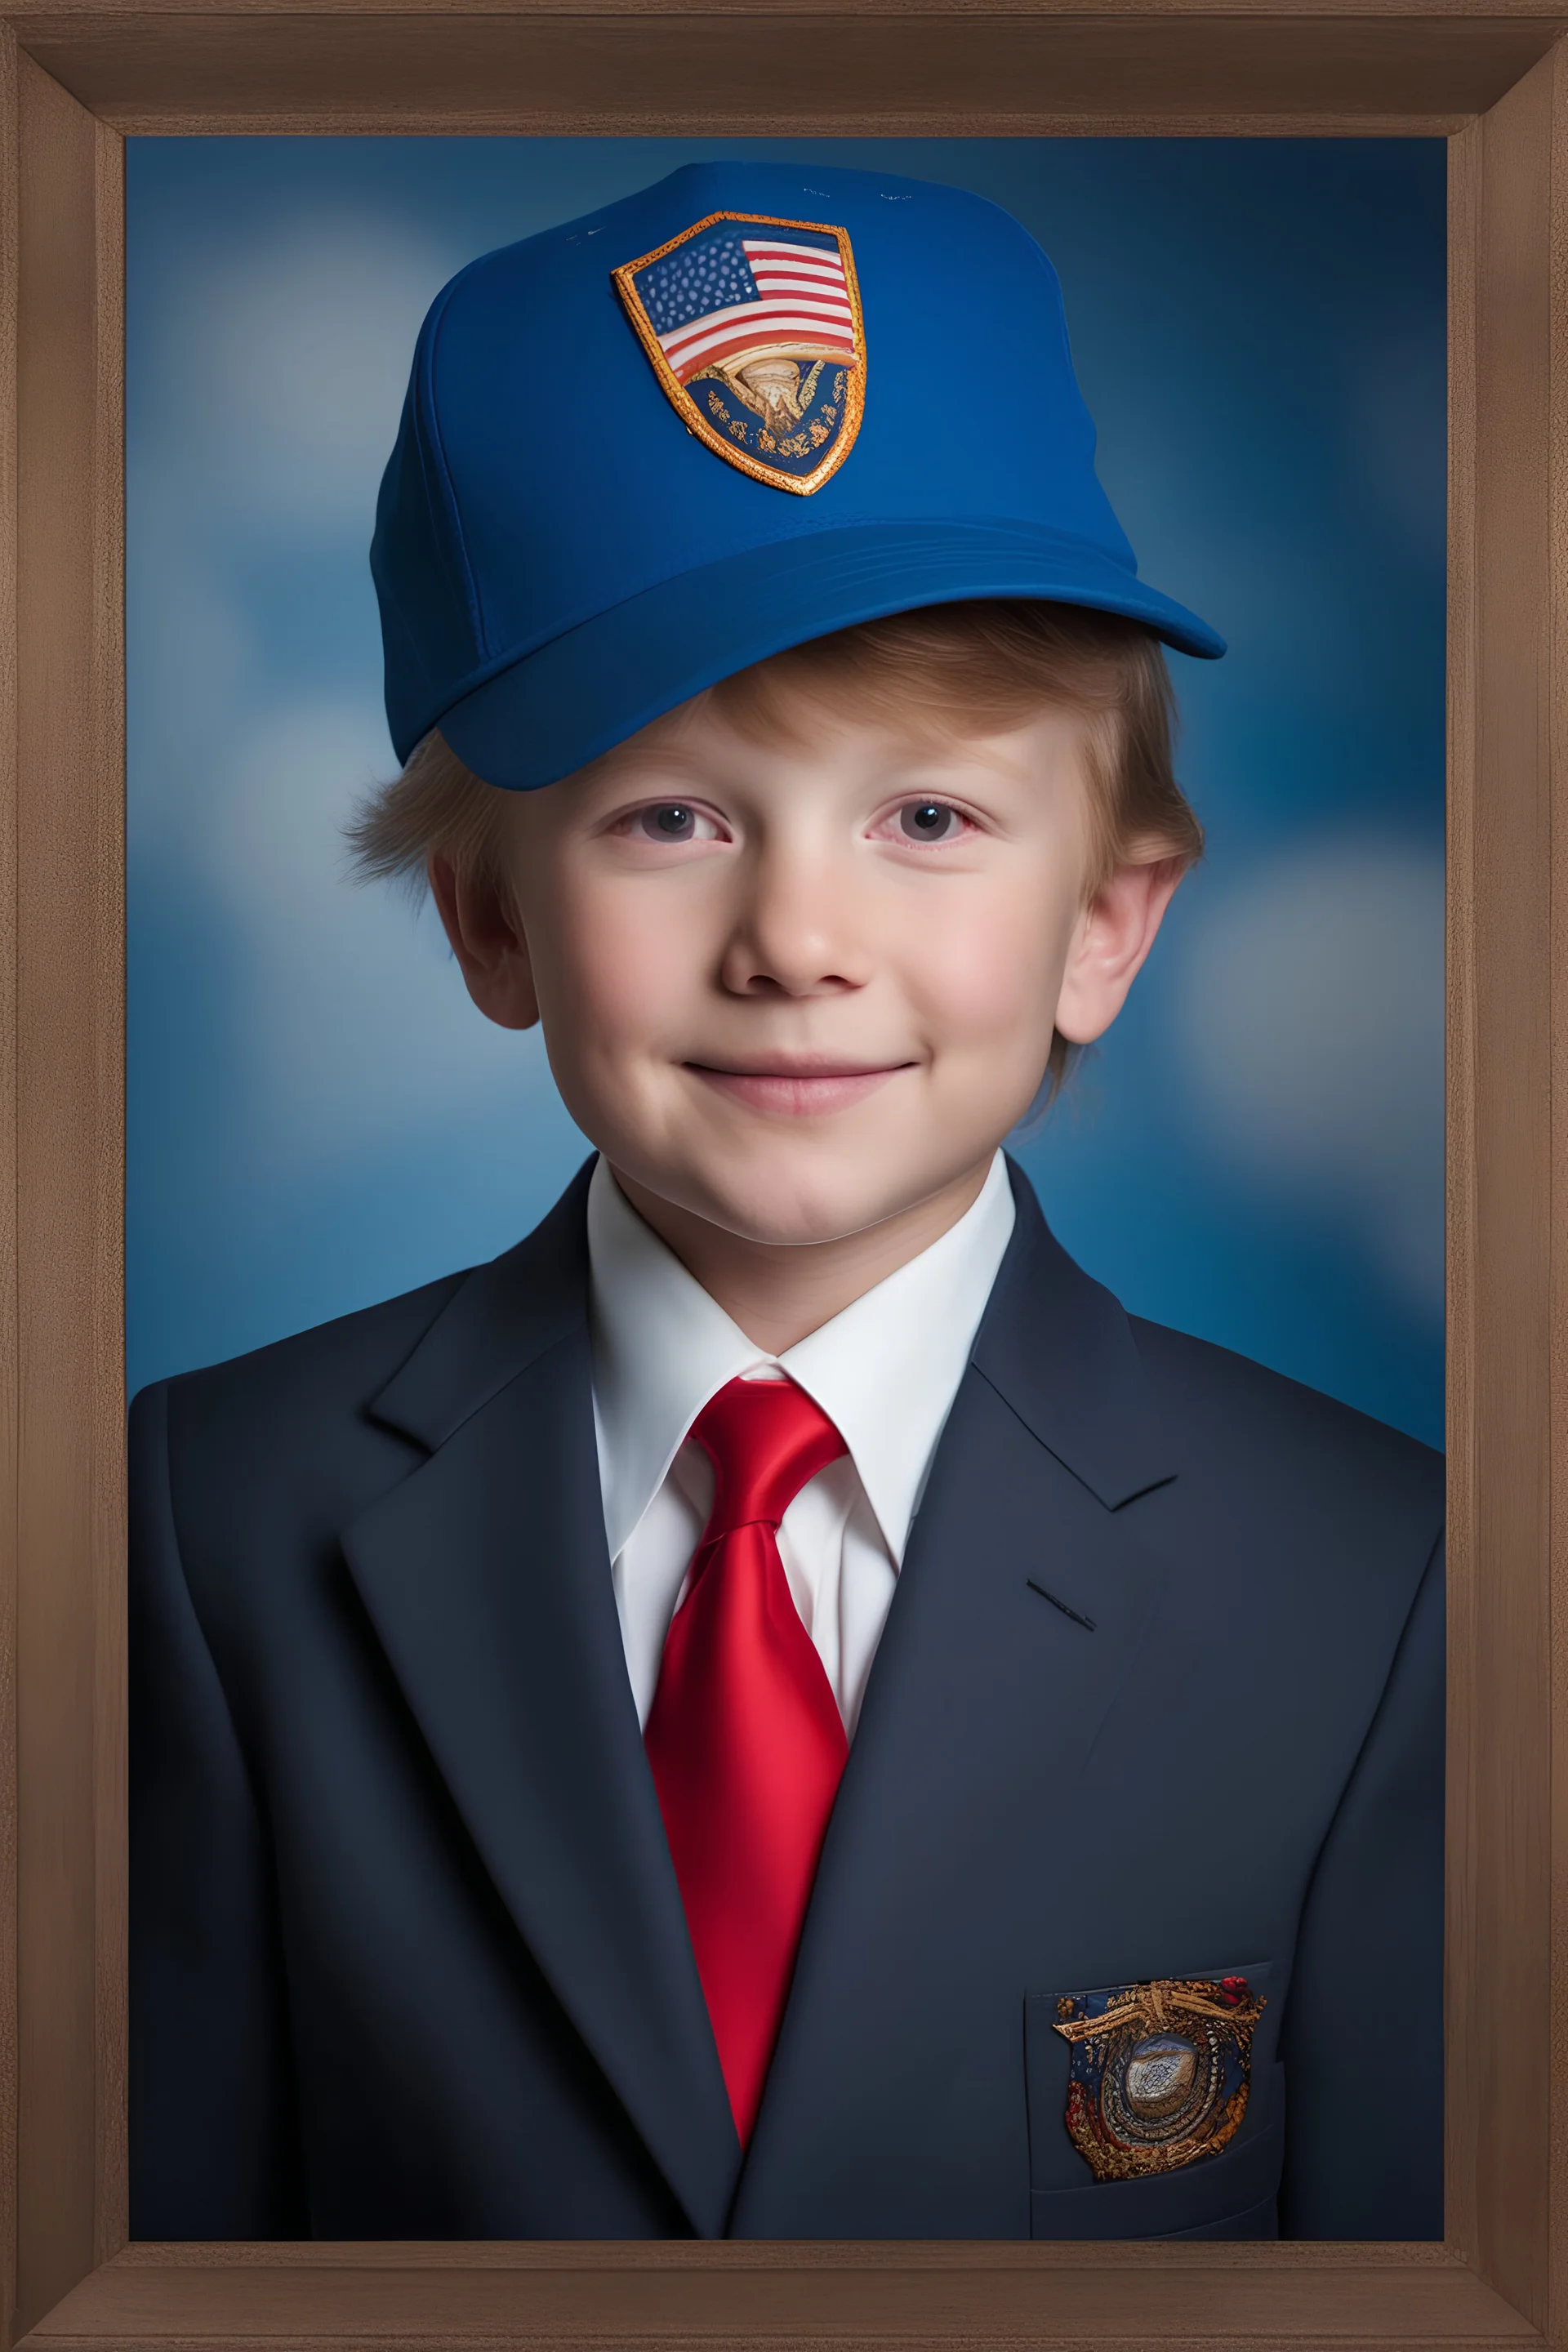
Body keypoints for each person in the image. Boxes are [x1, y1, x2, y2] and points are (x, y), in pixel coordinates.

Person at [128, 158, 1443, 2242]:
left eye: (929, 812)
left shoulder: (1388, 1582)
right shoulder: (200, 1525)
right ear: (487, 922)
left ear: (1109, 921)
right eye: (670, 816)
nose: (798, 939)